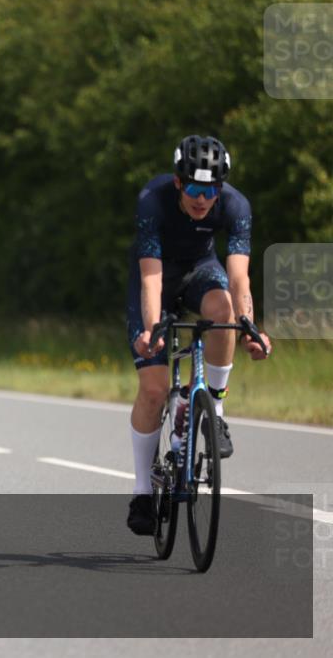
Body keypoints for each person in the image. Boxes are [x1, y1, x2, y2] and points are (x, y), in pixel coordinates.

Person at [125, 135, 271, 535]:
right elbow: (151, 278)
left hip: (200, 271)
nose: (201, 198)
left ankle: (216, 409)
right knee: (154, 390)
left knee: (224, 311)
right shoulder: (152, 200)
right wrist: (153, 328)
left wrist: (249, 325)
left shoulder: (236, 206)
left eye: (210, 190)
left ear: (220, 188)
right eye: (193, 188)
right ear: (177, 182)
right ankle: (141, 492)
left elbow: (239, 275)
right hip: (155, 278)